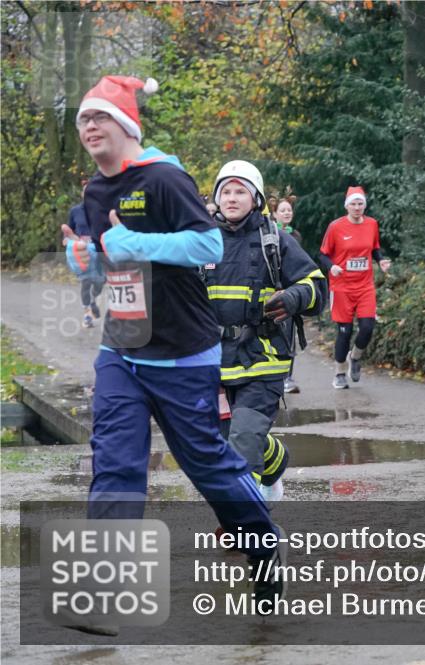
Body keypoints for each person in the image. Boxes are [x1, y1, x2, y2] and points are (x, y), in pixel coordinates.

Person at [61, 76, 286, 630]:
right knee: (114, 464)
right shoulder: (95, 191)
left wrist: (136, 243)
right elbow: (110, 264)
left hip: (184, 353)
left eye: (100, 117)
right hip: (123, 349)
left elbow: (207, 244)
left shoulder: (164, 179)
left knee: (206, 464)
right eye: (83, 120)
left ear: (126, 125)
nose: (89, 127)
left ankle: (263, 548)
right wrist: (84, 259)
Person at [205, 161, 325, 502]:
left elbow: (317, 286)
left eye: (240, 191)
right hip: (215, 364)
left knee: (242, 442)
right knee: (225, 444)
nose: (231, 198)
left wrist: (292, 298)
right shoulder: (203, 242)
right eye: (225, 191)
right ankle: (275, 459)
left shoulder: (274, 241)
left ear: (255, 198)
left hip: (264, 360)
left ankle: (242, 521)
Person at [318, 186, 391, 389]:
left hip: (365, 285)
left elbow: (374, 248)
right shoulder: (336, 227)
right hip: (341, 287)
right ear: (347, 206)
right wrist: (331, 267)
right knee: (344, 331)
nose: (357, 207)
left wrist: (381, 261)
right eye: (353, 204)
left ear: (364, 205)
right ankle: (340, 372)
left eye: (360, 204)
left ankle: (355, 357)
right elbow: (322, 254)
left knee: (367, 327)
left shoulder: (371, 224)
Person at [272, 196, 304, 394]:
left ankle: (287, 377)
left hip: (289, 290)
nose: (286, 213)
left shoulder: (296, 236)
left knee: (290, 334)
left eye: (288, 210)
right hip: (272, 290)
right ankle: (274, 376)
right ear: (274, 214)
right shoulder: (268, 234)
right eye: (282, 210)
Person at [66, 181, 105, 328]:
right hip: (82, 253)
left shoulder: (102, 210)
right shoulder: (75, 211)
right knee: (85, 281)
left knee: (100, 281)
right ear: (82, 194)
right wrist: (67, 240)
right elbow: (69, 231)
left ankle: (93, 300)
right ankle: (87, 313)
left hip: (99, 252)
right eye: (86, 192)